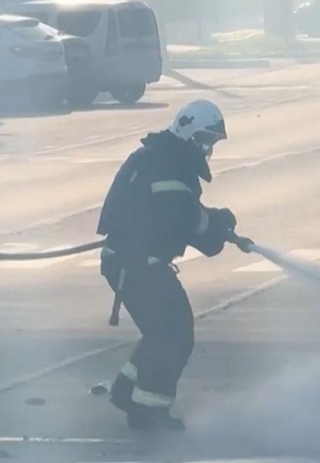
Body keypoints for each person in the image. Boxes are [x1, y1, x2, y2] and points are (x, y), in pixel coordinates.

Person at [96, 99, 251, 430]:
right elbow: (179, 217)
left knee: (160, 331)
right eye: (205, 139)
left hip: (131, 261)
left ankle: (127, 391)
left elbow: (179, 213)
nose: (207, 148)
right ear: (189, 132)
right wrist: (217, 225)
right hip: (136, 264)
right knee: (174, 335)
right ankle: (149, 411)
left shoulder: (163, 156)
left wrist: (213, 226)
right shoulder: (170, 163)